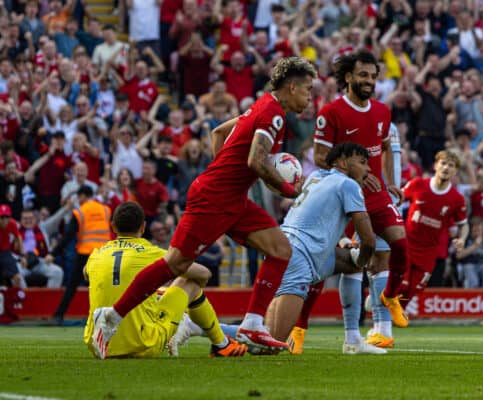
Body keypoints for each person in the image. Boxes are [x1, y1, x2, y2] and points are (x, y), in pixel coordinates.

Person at [91, 57, 316, 359]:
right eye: (308, 90)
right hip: (214, 198)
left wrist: (224, 172)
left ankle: (252, 323)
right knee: (176, 264)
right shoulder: (273, 114)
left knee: (280, 249)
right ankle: (112, 317)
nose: (310, 97)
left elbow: (218, 134)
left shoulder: (261, 106)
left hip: (231, 197)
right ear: (291, 87)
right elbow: (255, 161)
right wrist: (287, 188)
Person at [293, 51, 408, 354]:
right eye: (363, 75)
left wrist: (389, 179)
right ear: (348, 77)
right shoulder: (331, 112)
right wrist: (353, 171)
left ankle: (389, 301)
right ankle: (301, 327)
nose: (369, 81)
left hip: (376, 191)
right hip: (341, 195)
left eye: (373, 76)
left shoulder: (383, 112)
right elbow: (319, 156)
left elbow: (383, 147)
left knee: (399, 244)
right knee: (338, 265)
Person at [83, 202, 247, 358]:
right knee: (189, 282)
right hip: (141, 344)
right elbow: (204, 274)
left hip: (96, 342)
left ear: (113, 226)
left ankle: (186, 323)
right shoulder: (152, 253)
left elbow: (87, 275)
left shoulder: (96, 254)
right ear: (143, 227)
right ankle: (221, 344)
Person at [266, 143, 384, 355]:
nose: (369, 169)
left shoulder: (316, 176)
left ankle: (353, 340)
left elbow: (319, 215)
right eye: (363, 162)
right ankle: (205, 328)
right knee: (269, 345)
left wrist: (348, 248)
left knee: (351, 265)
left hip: (283, 246)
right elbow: (369, 240)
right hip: (299, 256)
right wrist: (364, 260)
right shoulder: (349, 185)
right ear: (343, 162)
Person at [396, 151, 468, 308]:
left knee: (414, 290)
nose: (446, 168)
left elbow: (464, 224)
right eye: (443, 163)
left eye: (451, 165)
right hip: (407, 245)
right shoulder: (417, 184)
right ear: (436, 165)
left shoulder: (456, 199)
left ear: (455, 171)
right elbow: (396, 200)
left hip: (429, 252)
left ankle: (386, 314)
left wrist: (462, 239)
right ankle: (382, 305)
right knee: (401, 286)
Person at [47, 185, 112, 325]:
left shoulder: (80, 212)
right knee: (104, 287)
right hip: (104, 254)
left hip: (86, 253)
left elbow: (68, 236)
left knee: (72, 285)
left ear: (82, 196)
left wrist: (53, 253)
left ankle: (58, 316)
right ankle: (106, 318)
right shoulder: (106, 210)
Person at [0, 204, 24, 288]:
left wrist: (22, 255)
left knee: (17, 278)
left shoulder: (12, 223)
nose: (4, 220)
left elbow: (18, 237)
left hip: (5, 252)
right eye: (2, 217)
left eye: (7, 217)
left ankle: (16, 298)